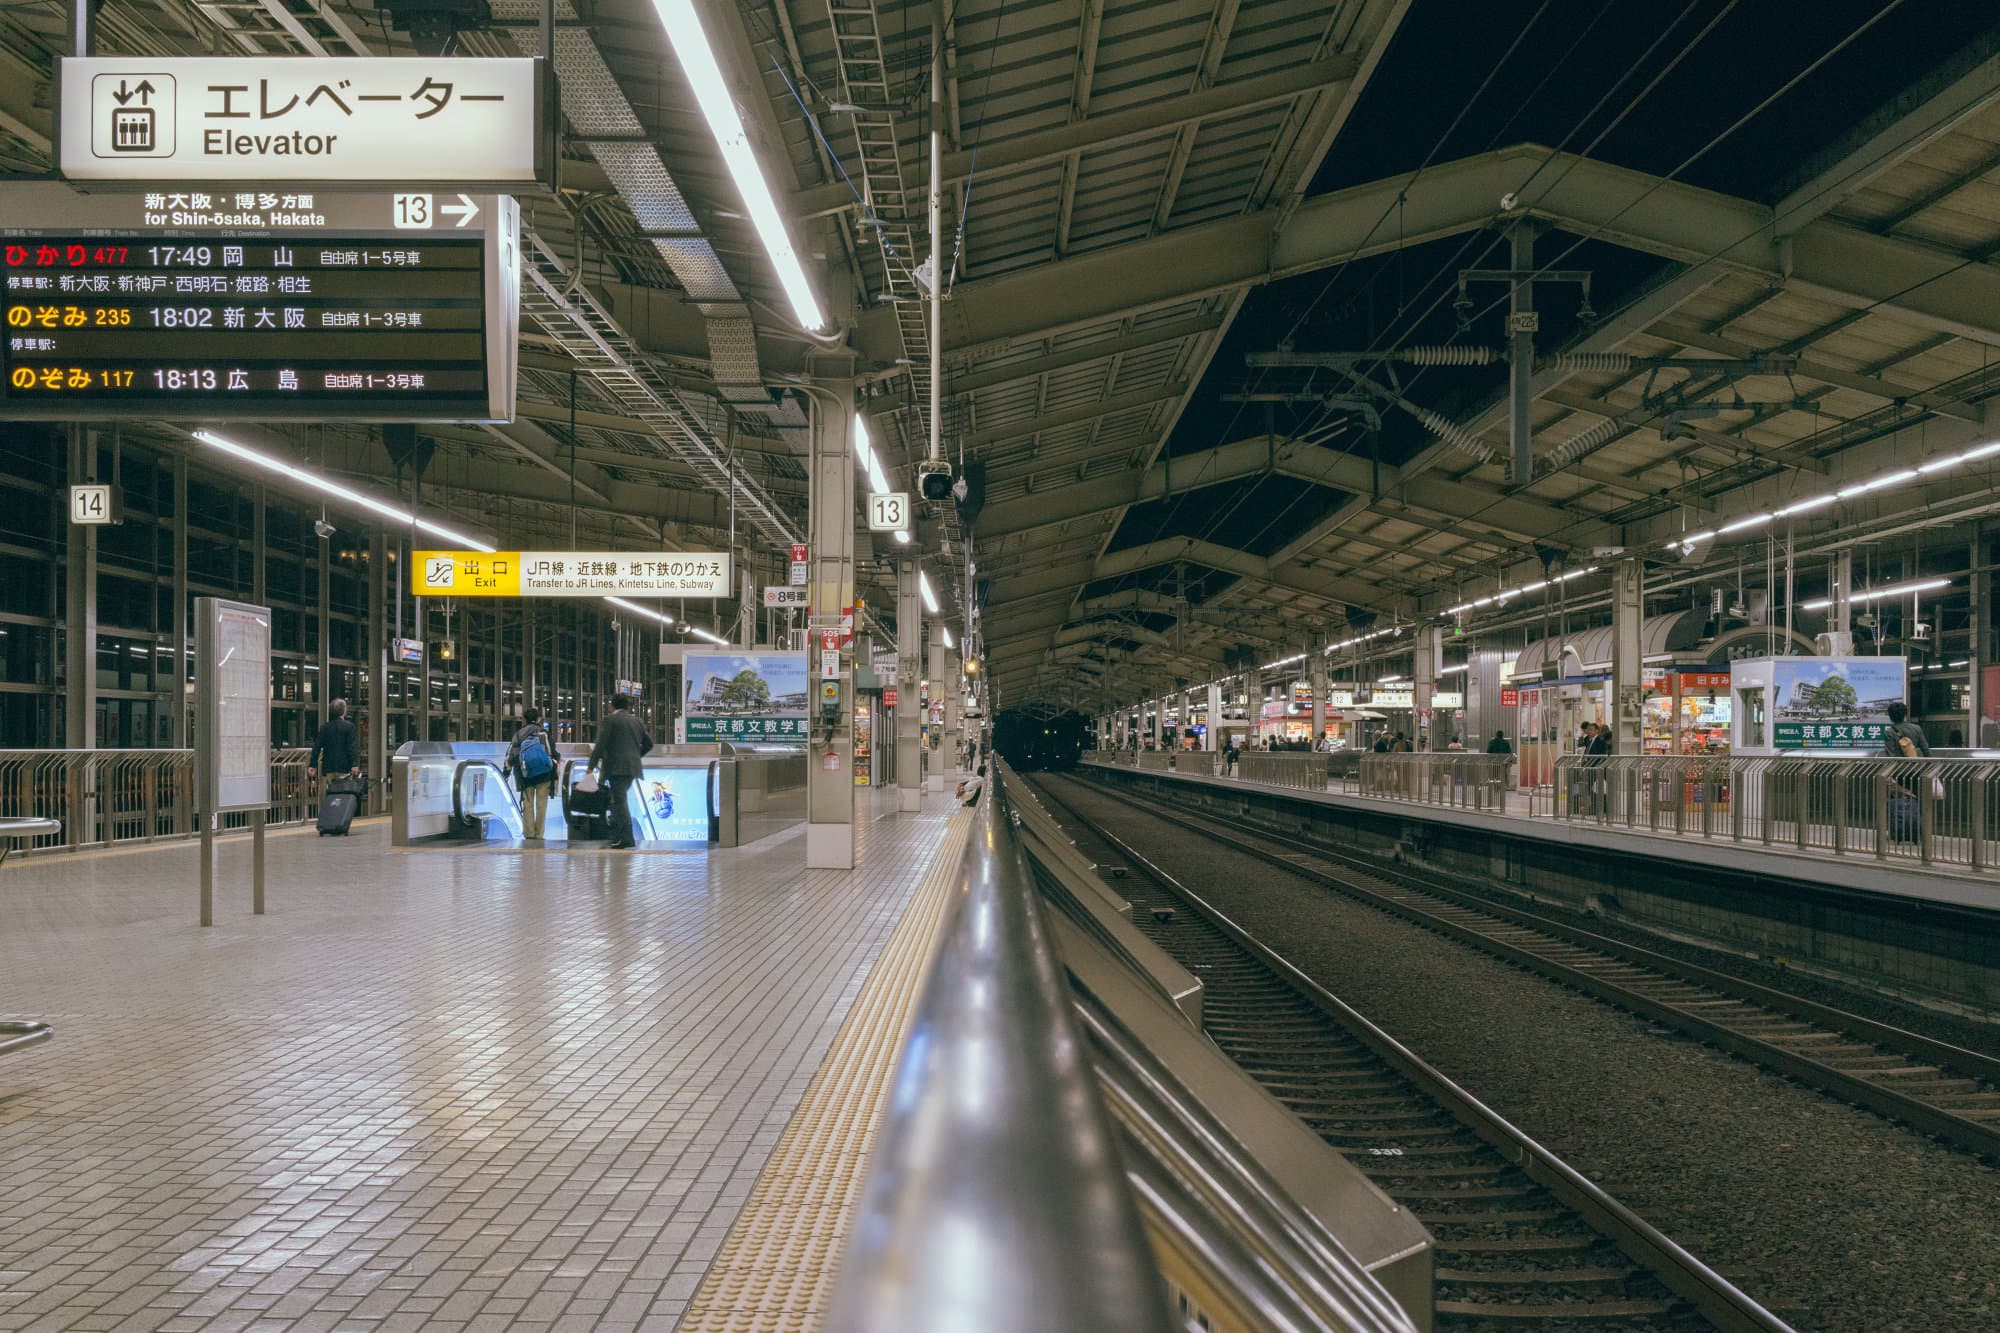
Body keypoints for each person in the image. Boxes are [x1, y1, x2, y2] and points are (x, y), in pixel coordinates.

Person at [589, 694, 655, 849]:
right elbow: (649, 743)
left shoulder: (610, 720)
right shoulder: (637, 720)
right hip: (632, 767)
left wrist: (591, 766)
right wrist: (635, 756)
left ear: (612, 706)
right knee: (618, 800)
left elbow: (601, 745)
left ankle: (626, 839)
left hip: (616, 767)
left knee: (619, 802)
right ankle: (620, 836)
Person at [506, 706, 560, 840]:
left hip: (526, 774)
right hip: (544, 773)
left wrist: (506, 772)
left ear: (525, 719)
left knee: (528, 803)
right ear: (538, 719)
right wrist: (557, 758)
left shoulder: (518, 734)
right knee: (541, 804)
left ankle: (529, 834)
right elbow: (551, 751)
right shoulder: (543, 733)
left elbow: (510, 755)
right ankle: (539, 834)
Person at [307, 698, 359, 786]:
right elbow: (351, 747)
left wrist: (313, 765)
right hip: (344, 767)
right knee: (343, 793)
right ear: (344, 711)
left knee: (331, 792)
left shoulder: (325, 727)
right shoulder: (349, 727)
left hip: (328, 768)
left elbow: (317, 747)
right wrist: (354, 764)